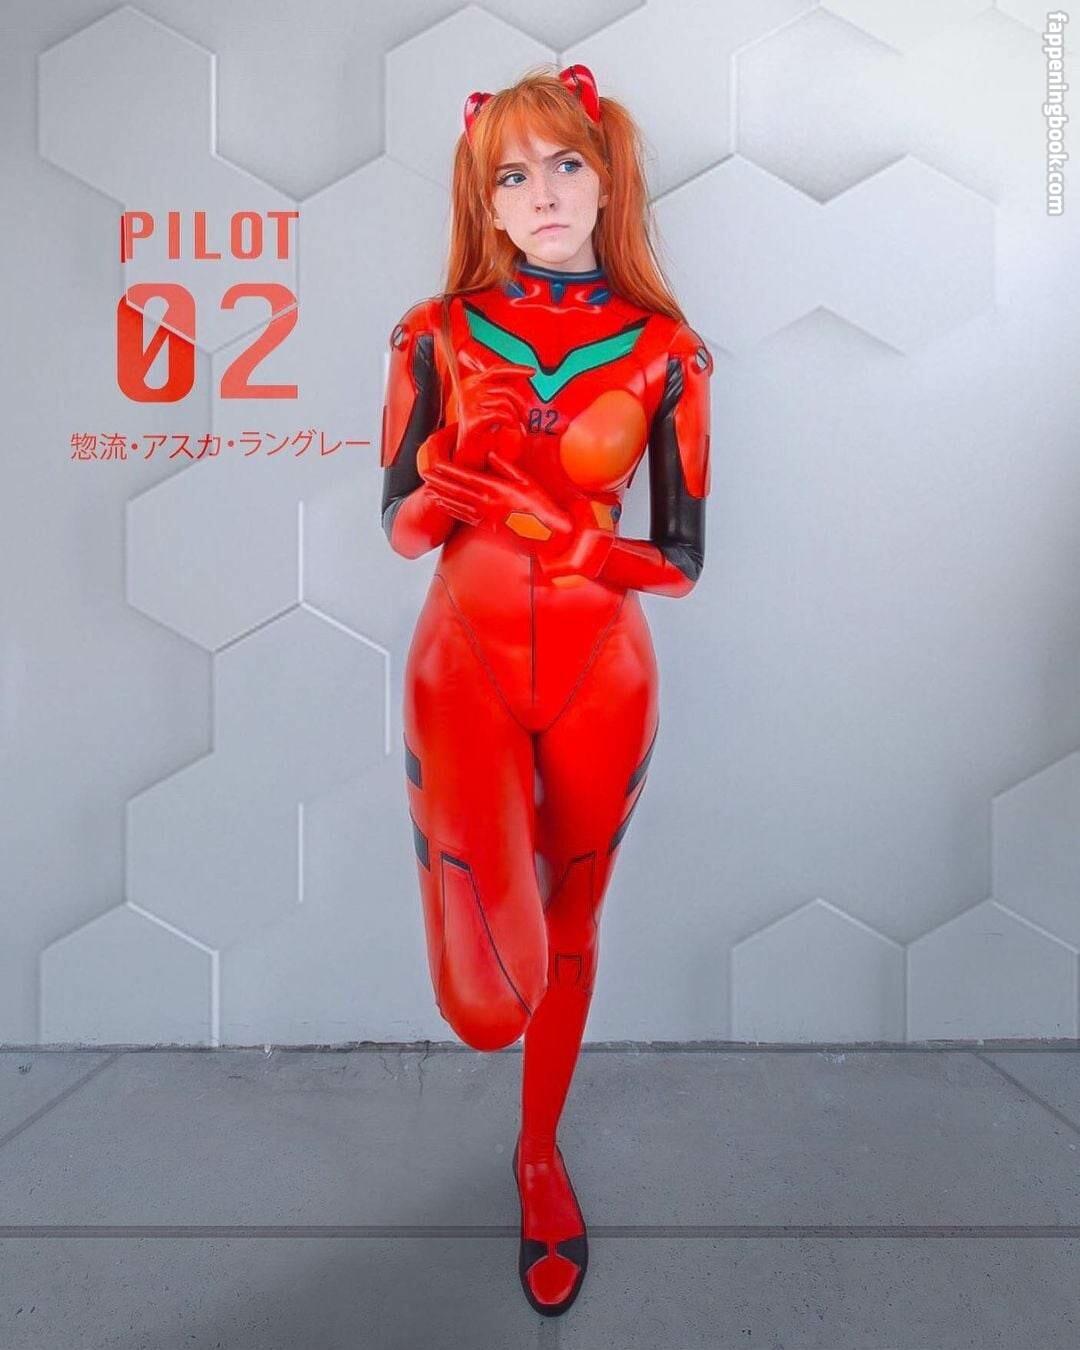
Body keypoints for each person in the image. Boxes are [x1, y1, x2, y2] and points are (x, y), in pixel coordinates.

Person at [378, 62, 712, 1317]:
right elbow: (400, 529)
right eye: (512, 175)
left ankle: (537, 1157)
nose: (544, 193)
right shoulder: (433, 333)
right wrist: (446, 470)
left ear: (609, 179)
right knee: (482, 996)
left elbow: (680, 560)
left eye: (567, 164)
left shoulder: (670, 352)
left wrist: (585, 545)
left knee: (569, 932)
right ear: (486, 202)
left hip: (598, 672)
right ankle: (517, 1112)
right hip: (460, 661)